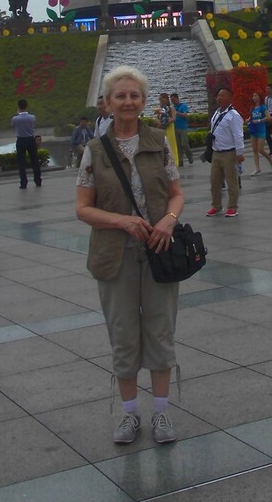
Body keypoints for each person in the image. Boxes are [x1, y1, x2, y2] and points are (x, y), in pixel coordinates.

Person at [76, 65, 183, 445]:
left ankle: (161, 414)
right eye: (120, 96)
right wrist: (122, 222)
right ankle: (128, 415)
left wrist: (169, 220)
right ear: (107, 102)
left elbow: (176, 193)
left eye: (134, 95)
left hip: (159, 252)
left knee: (160, 332)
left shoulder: (158, 141)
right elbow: (83, 208)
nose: (127, 101)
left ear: (143, 101)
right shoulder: (93, 151)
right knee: (123, 334)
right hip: (114, 256)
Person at [206, 87, 245, 218]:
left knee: (231, 182)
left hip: (230, 153)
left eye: (222, 96)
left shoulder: (233, 115)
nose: (219, 98)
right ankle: (216, 206)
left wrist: (240, 153)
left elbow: (238, 135)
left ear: (229, 98)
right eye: (218, 96)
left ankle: (232, 207)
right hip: (216, 152)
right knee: (214, 182)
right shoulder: (217, 113)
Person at [11, 99, 42, 189]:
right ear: (26, 106)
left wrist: (18, 114)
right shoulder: (32, 117)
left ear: (18, 107)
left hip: (20, 140)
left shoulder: (15, 118)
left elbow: (12, 124)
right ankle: (38, 181)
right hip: (30, 139)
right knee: (35, 161)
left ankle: (23, 183)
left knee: (21, 163)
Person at [246, 92, 272, 176]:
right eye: (253, 96)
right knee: (254, 149)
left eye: (256, 96)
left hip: (261, 130)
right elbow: (251, 116)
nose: (254, 97)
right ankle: (257, 168)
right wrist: (248, 119)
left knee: (260, 149)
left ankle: (271, 161)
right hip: (254, 130)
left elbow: (268, 117)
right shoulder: (252, 108)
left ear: (260, 97)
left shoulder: (263, 107)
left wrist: (259, 120)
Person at [154, 93, 179, 166]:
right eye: (159, 99)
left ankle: (173, 162)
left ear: (165, 99)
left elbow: (173, 118)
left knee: (170, 145)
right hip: (161, 129)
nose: (160, 101)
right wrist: (158, 121)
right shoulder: (160, 110)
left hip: (169, 128)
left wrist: (165, 122)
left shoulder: (171, 108)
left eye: (161, 99)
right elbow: (157, 119)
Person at [170, 93, 194, 167]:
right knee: (178, 146)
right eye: (171, 100)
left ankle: (189, 155)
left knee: (184, 143)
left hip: (183, 128)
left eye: (174, 100)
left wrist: (177, 113)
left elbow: (185, 115)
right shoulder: (172, 107)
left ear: (177, 98)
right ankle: (180, 161)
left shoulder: (183, 106)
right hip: (175, 128)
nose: (173, 101)